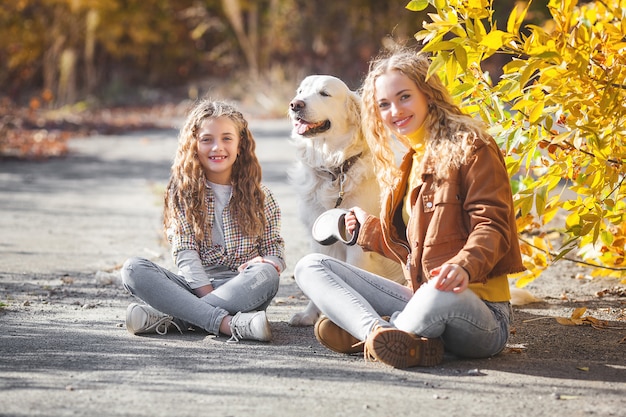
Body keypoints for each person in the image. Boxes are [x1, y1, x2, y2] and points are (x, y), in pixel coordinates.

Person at [295, 48, 525, 368]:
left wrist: (463, 266)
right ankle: (385, 335)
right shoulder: (408, 159)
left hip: (478, 311)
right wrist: (368, 230)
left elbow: (493, 225)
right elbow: (410, 248)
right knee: (311, 266)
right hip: (419, 297)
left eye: (404, 97)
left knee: (435, 292)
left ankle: (369, 330)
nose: (395, 111)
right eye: (384, 104)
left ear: (428, 94)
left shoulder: (472, 146)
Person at [121, 99, 285, 342]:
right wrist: (205, 296)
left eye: (227, 138)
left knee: (267, 274)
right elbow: (185, 253)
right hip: (193, 286)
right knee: (133, 269)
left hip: (242, 290)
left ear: (240, 145)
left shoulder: (262, 197)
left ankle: (176, 319)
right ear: (194, 145)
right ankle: (229, 325)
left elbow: (276, 252)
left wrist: (267, 262)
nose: (217, 147)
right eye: (207, 139)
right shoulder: (183, 193)